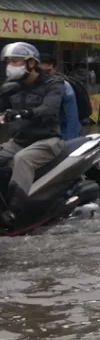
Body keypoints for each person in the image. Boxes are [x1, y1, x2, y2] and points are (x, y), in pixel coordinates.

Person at [0, 43, 65, 226]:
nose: (11, 65)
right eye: (8, 62)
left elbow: (49, 110)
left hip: (47, 140)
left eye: (15, 61)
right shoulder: (11, 86)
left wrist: (23, 113)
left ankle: (14, 211)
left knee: (23, 159)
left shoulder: (53, 83)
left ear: (31, 63)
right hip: (19, 141)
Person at [38, 54, 81, 140]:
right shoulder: (32, 85)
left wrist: (71, 141)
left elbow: (72, 117)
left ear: (55, 69)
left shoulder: (65, 87)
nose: (45, 75)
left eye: (48, 71)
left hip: (63, 133)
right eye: (41, 72)